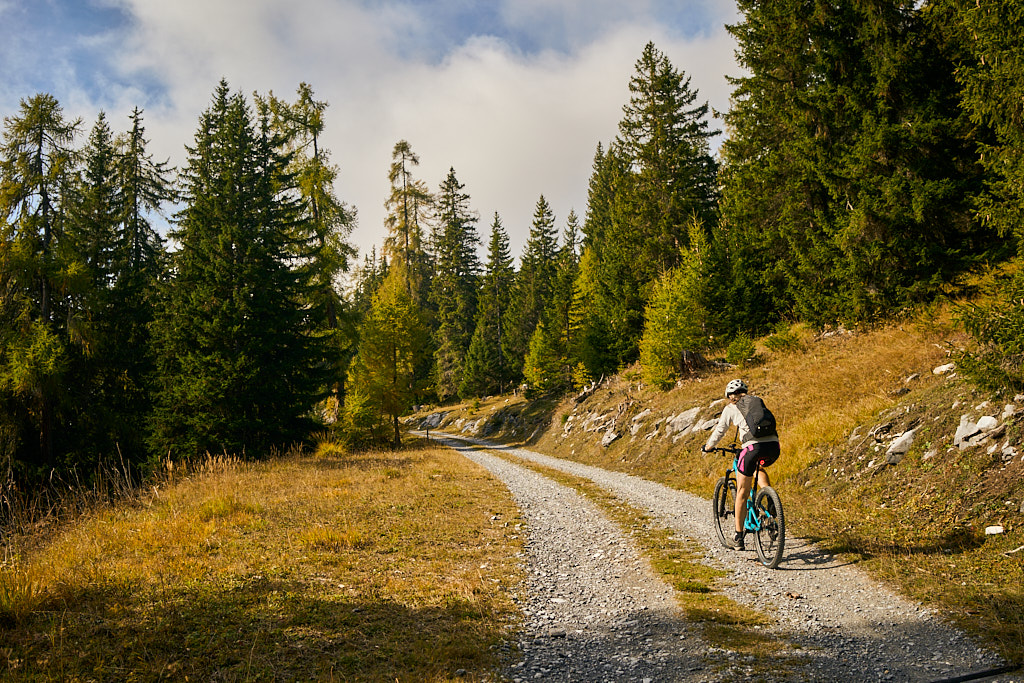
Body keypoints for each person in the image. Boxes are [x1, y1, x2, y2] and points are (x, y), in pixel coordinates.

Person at [701, 379, 780, 550]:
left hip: (752, 448)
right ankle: (769, 498)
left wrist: (708, 447)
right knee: (759, 468)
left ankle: (738, 537)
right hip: (773, 446)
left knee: (742, 493)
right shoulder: (757, 401)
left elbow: (720, 430)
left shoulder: (730, 408)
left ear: (730, 396)